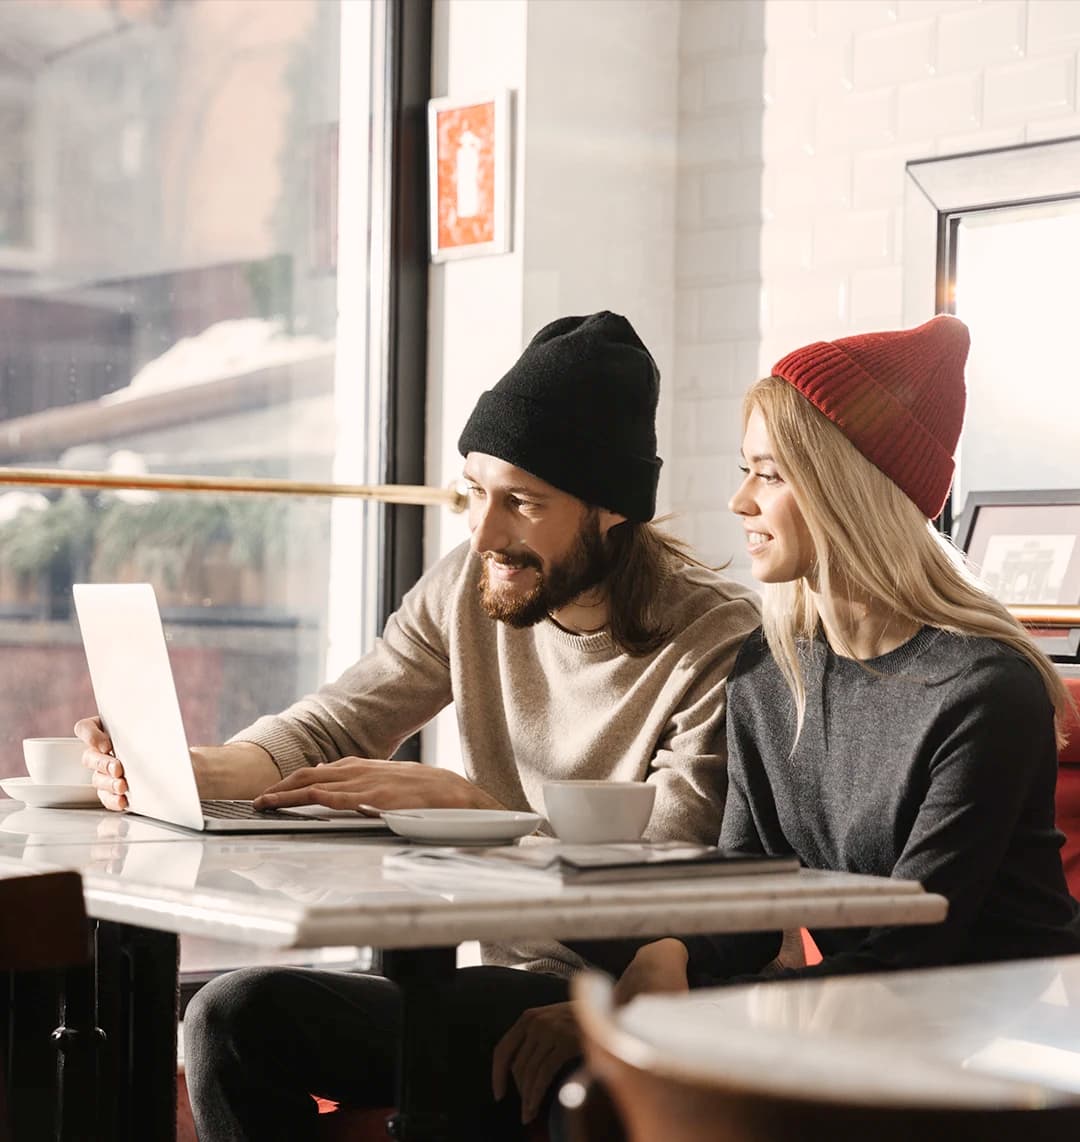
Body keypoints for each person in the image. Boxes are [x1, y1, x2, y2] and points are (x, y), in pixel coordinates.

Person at [77, 311, 761, 1139]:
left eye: (522, 502)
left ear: (611, 510)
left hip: (655, 988)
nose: (486, 533)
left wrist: (486, 820)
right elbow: (341, 721)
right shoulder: (468, 587)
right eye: (475, 491)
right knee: (229, 1017)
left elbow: (670, 885)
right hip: (501, 980)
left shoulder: (716, 640)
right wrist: (192, 772)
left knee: (446, 1032)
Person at [610, 315, 1080, 1004]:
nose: (740, 501)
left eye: (769, 475)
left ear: (847, 491)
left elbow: (913, 948)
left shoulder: (983, 690)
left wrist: (711, 1022)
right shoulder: (768, 675)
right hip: (866, 1020)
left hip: (1010, 1046)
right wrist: (668, 956)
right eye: (747, 471)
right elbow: (750, 896)